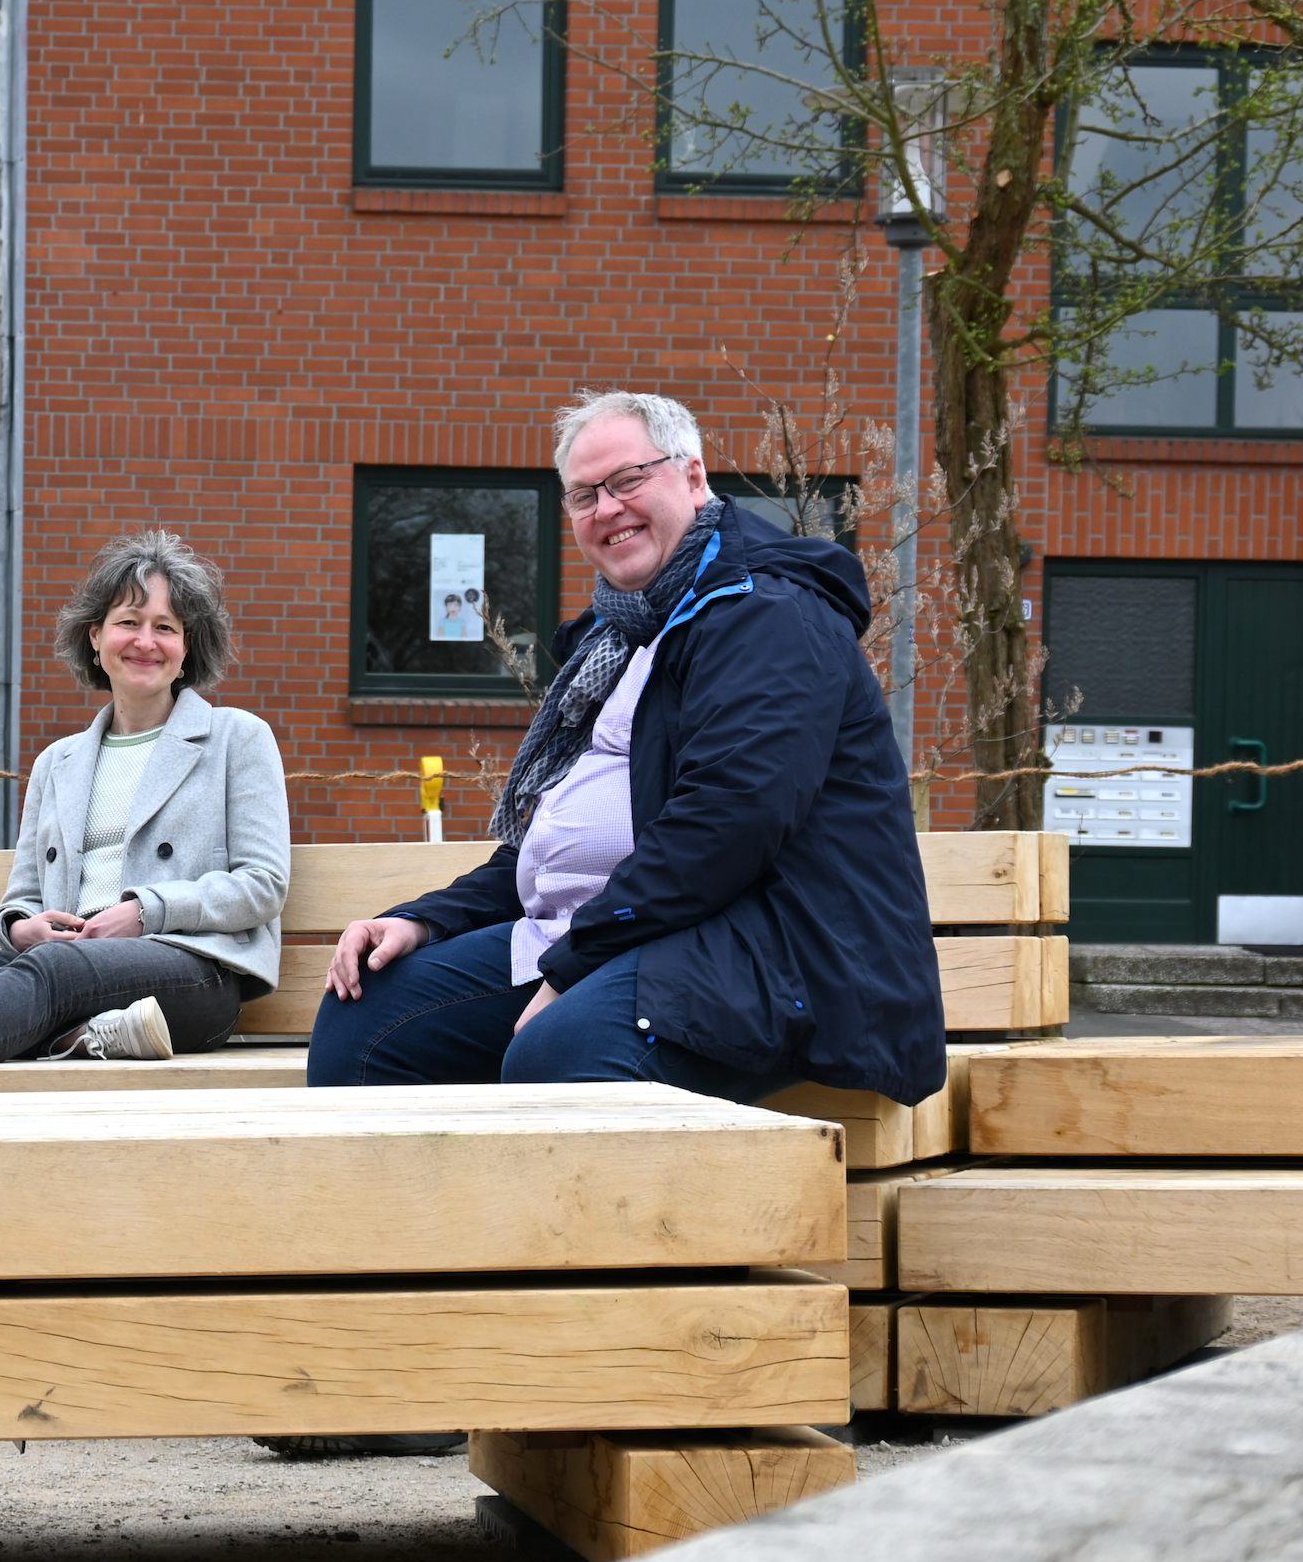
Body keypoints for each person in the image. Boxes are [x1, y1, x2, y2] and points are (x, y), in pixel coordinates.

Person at [308, 390, 943, 1104]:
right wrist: (424, 919)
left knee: (564, 1052)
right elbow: (548, 849)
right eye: (584, 495)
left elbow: (725, 826)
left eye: (628, 481)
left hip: (786, 952)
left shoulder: (768, 615)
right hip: (641, 932)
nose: (606, 508)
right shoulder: (623, 638)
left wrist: (569, 968)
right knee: (366, 1022)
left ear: (694, 478)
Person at [0, 531, 289, 1067]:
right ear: (96, 637)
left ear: (186, 649)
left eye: (166, 628)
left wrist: (142, 914)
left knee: (57, 974)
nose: (145, 641)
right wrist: (23, 926)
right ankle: (84, 1036)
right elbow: (22, 893)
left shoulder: (236, 738)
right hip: (65, 962)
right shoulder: (57, 762)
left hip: (191, 970)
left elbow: (263, 885)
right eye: (128, 622)